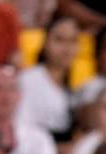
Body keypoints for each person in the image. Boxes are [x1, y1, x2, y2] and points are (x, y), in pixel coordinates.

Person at [17, 14, 80, 142]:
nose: (67, 48)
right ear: (45, 43)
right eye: (59, 40)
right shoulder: (28, 80)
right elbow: (22, 127)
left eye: (73, 40)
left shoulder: (70, 88)